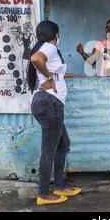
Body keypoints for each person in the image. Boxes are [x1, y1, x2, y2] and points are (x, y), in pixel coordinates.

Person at [27, 20, 82, 206]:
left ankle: (60, 185)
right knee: (49, 149)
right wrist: (50, 78)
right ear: (55, 34)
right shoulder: (49, 47)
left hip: (46, 103)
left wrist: (64, 76)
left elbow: (53, 72)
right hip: (50, 103)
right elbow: (36, 59)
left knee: (63, 144)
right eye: (58, 34)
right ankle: (43, 193)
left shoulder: (45, 48)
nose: (59, 37)